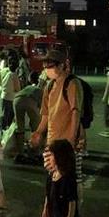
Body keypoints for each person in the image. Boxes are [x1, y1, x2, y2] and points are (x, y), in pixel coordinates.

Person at [30, 50, 85, 199]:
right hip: (52, 141)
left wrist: (72, 140)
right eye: (44, 65)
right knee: (53, 176)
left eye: (50, 65)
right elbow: (46, 115)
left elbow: (75, 112)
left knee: (71, 179)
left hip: (68, 142)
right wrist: (38, 132)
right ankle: (54, 210)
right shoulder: (49, 86)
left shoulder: (72, 84)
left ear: (61, 66)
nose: (46, 69)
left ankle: (72, 214)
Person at [9, 71, 42, 157]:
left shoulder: (27, 87)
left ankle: (21, 153)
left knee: (19, 127)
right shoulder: (40, 90)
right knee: (36, 127)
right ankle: (35, 152)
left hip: (16, 100)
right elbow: (41, 109)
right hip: (30, 100)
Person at [0, 53, 21, 131]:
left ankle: (1, 128)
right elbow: (18, 89)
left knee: (3, 113)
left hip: (3, 95)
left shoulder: (4, 70)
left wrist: (1, 85)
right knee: (10, 114)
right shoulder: (14, 75)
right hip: (12, 97)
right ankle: (6, 130)